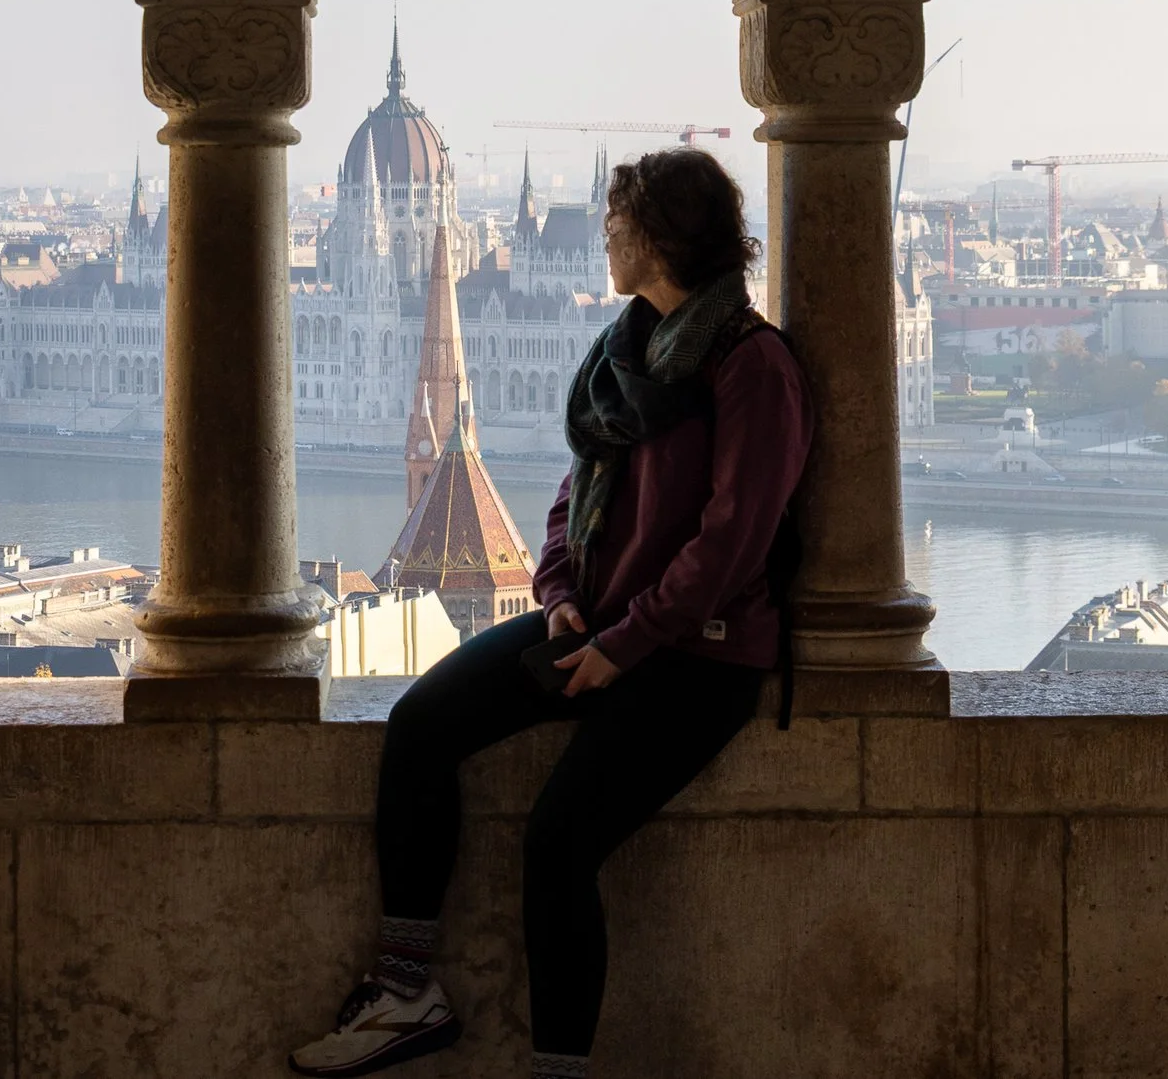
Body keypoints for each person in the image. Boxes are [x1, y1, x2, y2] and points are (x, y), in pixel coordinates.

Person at [290, 148, 813, 1079]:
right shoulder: (623, 347)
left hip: (697, 657)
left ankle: (558, 1071)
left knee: (558, 841)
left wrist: (627, 643)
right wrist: (563, 597)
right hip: (597, 621)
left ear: (659, 239)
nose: (604, 236)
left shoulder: (751, 363)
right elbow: (575, 495)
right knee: (418, 726)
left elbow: (731, 540)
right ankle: (409, 991)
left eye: (617, 223)